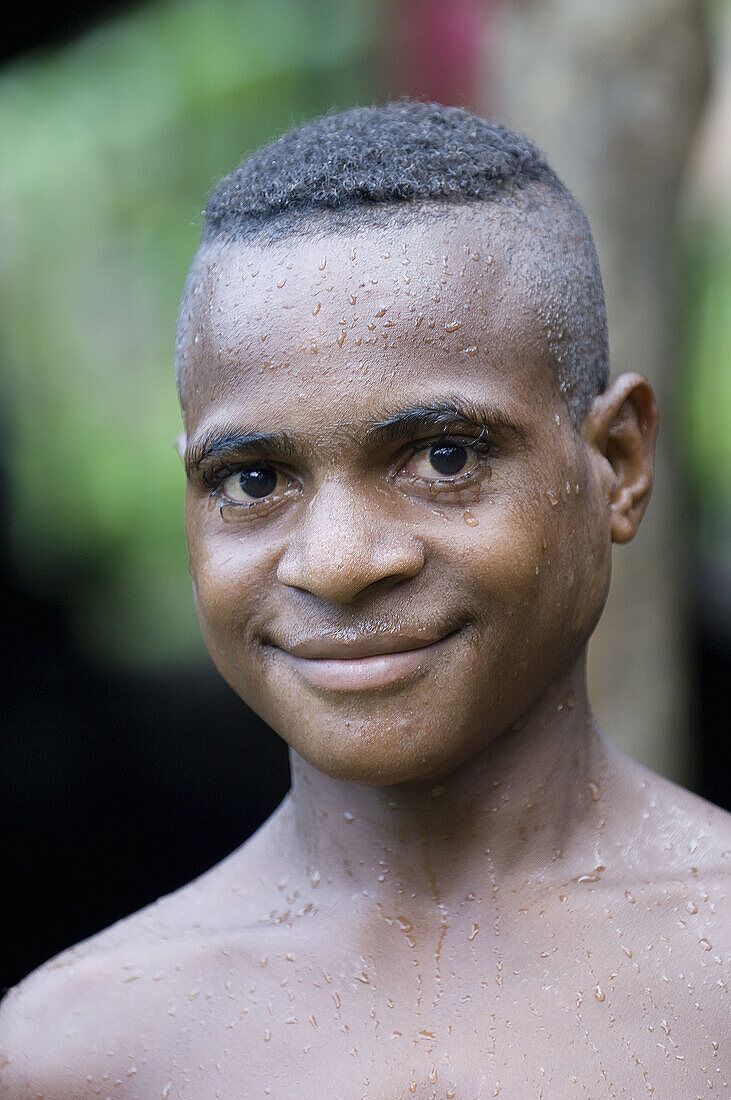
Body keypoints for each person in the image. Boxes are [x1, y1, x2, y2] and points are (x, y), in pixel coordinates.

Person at [1, 101, 728, 1099]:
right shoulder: (73, 1050)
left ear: (617, 460)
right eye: (254, 479)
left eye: (441, 455)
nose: (337, 562)